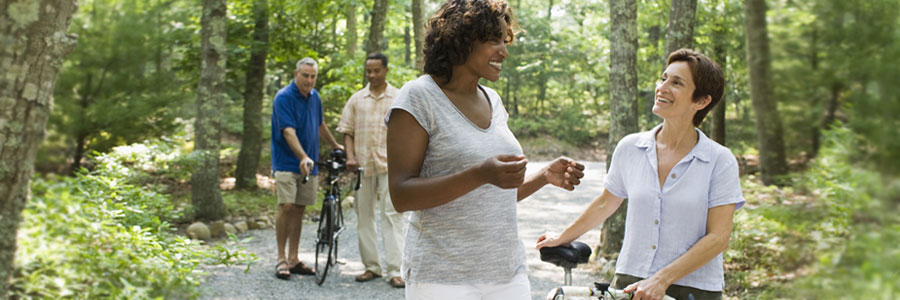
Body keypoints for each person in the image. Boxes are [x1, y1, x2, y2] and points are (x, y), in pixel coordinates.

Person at [385, 1, 585, 299]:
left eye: (505, 42)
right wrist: (480, 174)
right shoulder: (419, 97)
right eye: (494, 41)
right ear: (461, 38)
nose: (504, 51)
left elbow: (495, 194)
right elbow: (402, 196)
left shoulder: (493, 100)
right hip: (442, 276)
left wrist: (544, 176)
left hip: (507, 274)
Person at [536, 49, 743, 300]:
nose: (662, 87)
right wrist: (562, 237)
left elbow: (718, 237)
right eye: (663, 78)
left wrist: (661, 280)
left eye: (676, 83)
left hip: (693, 288)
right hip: (630, 282)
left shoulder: (719, 161)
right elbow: (605, 203)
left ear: (701, 101)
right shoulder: (630, 148)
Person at [336, 53, 407, 288]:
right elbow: (347, 131)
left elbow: (408, 132)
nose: (372, 75)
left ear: (386, 70)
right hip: (362, 166)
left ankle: (395, 270)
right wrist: (350, 156)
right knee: (364, 216)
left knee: (393, 216)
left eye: (376, 70)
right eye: (369, 71)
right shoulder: (356, 99)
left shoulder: (399, 98)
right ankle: (371, 267)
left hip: (391, 166)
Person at [270, 57, 343, 280]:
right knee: (287, 206)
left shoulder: (315, 97)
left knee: (300, 209)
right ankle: (281, 258)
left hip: (308, 165)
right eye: (305, 75)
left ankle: (294, 258)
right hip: (287, 163)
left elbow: (320, 124)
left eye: (313, 76)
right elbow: (288, 132)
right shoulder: (283, 97)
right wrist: (302, 156)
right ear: (296, 74)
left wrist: (335, 145)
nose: (309, 80)